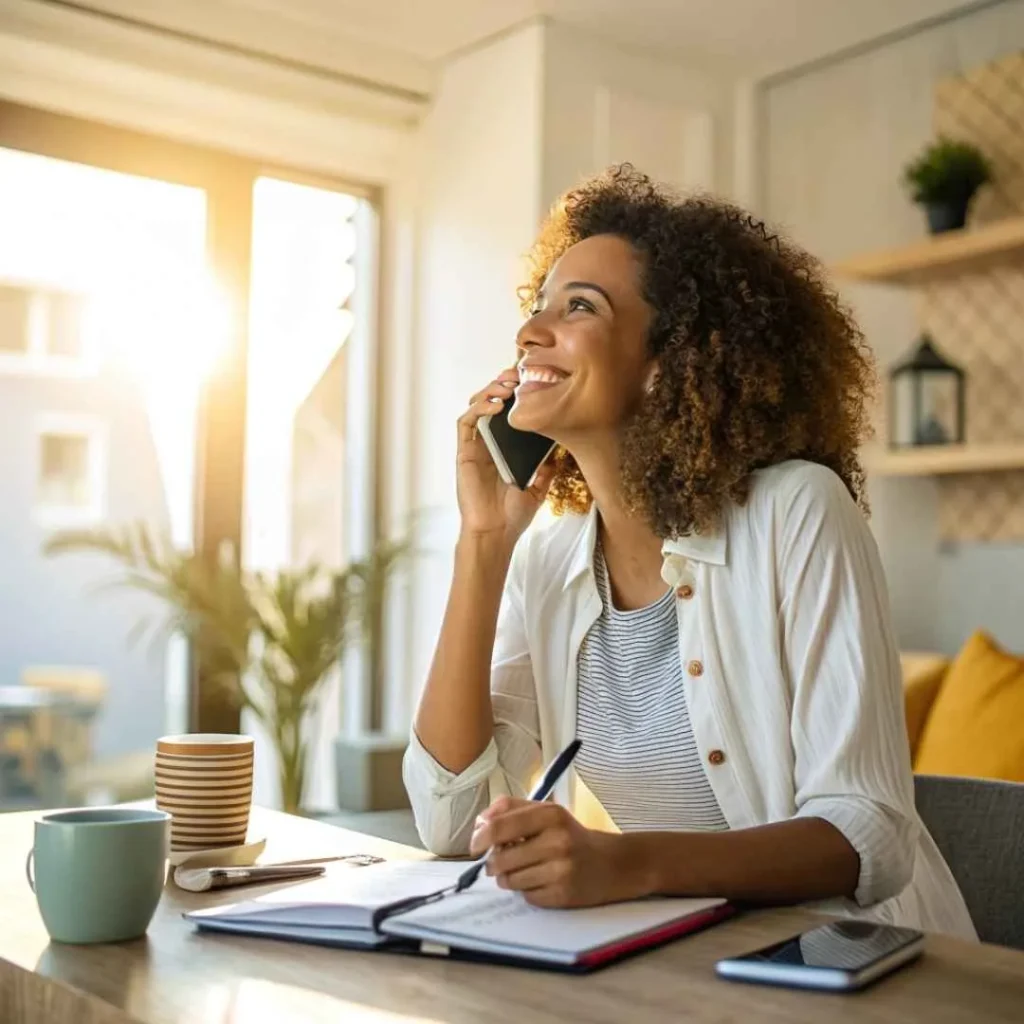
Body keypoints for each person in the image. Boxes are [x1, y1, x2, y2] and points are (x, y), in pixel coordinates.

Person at [403, 165, 975, 939]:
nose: (530, 333)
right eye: (538, 308)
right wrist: (483, 544)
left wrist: (625, 864)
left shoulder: (797, 512)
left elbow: (867, 833)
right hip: (690, 961)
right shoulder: (548, 561)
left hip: (867, 962)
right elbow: (452, 822)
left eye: (580, 307)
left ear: (668, 362)